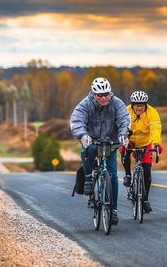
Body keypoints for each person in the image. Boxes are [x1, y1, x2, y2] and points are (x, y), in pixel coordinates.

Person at [70, 77, 130, 225]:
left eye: (106, 94)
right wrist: (83, 135)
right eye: (100, 95)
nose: (103, 98)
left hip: (110, 142)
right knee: (88, 150)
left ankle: (113, 210)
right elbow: (76, 120)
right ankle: (89, 179)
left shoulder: (117, 103)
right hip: (91, 140)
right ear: (93, 94)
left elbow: (124, 119)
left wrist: (123, 134)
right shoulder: (85, 104)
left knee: (113, 175)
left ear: (110, 93)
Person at [120, 90, 162, 213]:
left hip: (146, 142)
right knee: (124, 149)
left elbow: (155, 129)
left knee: (147, 173)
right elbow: (121, 125)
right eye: (136, 105)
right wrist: (123, 138)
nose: (139, 107)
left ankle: (144, 200)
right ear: (132, 105)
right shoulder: (126, 111)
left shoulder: (152, 113)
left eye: (142, 105)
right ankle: (128, 175)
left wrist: (155, 143)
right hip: (131, 139)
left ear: (146, 105)